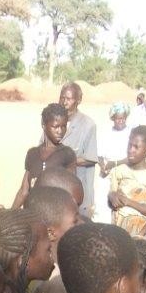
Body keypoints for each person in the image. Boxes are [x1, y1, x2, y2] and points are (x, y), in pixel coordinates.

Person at [13, 103, 77, 209]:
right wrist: (10, 214)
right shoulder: (32, 154)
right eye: (55, 126)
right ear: (43, 124)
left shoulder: (67, 154)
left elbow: (71, 190)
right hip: (31, 214)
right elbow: (24, 191)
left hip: (54, 214)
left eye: (63, 126)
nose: (60, 131)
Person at [108, 126, 146, 237]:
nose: (131, 150)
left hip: (139, 235)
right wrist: (111, 196)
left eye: (136, 147)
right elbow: (112, 194)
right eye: (129, 145)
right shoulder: (119, 170)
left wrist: (129, 202)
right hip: (116, 231)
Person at [57, 83, 99, 218]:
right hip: (56, 188)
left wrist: (64, 160)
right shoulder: (53, 121)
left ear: (78, 100)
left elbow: (90, 158)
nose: (64, 102)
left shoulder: (88, 125)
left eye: (68, 99)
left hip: (79, 189)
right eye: (62, 97)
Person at [95, 102, 133, 220]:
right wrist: (102, 166)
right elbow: (99, 154)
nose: (120, 121)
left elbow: (132, 157)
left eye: (122, 118)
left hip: (125, 173)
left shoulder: (131, 133)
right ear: (113, 118)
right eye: (117, 118)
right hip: (107, 173)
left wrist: (115, 164)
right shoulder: (106, 133)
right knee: (103, 208)